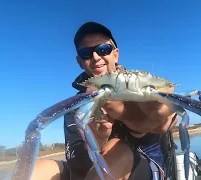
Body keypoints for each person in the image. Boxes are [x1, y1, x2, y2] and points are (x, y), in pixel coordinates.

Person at [31, 22, 178, 180]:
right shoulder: (77, 105)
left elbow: (166, 118)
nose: (95, 57)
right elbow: (76, 161)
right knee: (37, 170)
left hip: (143, 166)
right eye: (86, 53)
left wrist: (145, 121)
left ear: (116, 54)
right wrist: (96, 141)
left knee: (117, 150)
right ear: (80, 61)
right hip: (87, 168)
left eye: (103, 49)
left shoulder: (139, 84)